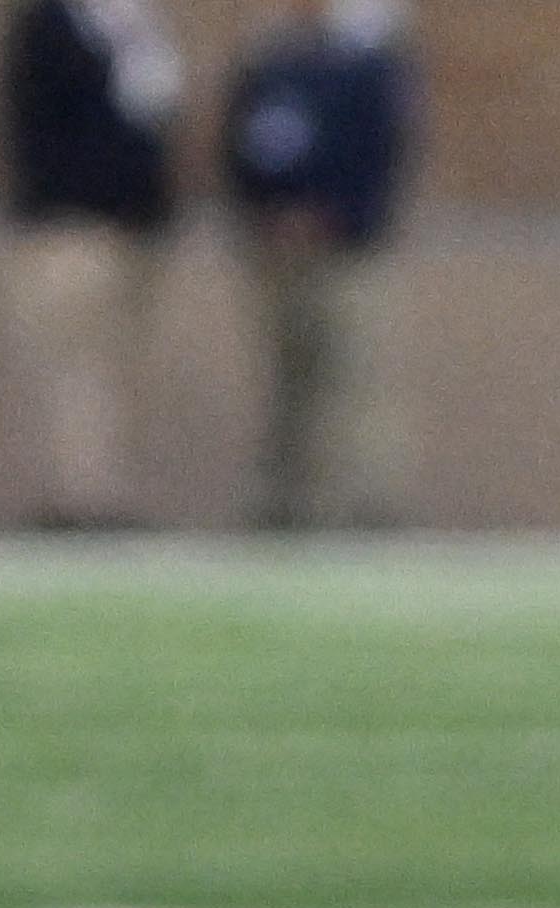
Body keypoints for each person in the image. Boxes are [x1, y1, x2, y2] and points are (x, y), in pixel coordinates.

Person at [220, 0, 410, 535]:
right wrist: (268, 219)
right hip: (277, 255)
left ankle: (368, 508)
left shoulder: (368, 66)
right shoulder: (267, 67)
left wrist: (334, 218)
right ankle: (283, 508)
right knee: (289, 384)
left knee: (355, 380)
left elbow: (378, 156)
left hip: (348, 254)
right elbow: (242, 153)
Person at [0, 0, 181, 533]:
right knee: (73, 372)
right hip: (70, 228)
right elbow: (45, 133)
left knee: (118, 373)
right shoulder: (50, 27)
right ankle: (79, 501)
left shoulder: (135, 31)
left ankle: (108, 494)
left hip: (131, 233)